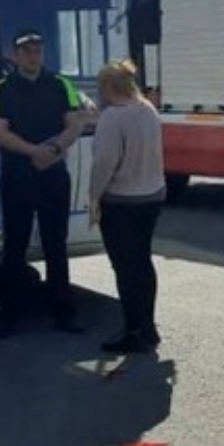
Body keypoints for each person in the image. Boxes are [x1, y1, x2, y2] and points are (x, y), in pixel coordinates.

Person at [0, 29, 90, 339]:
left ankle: (63, 313)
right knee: (14, 246)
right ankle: (7, 315)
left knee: (56, 244)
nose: (33, 55)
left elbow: (75, 124)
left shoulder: (61, 85)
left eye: (38, 49)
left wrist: (54, 150)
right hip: (17, 177)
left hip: (54, 176)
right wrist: (34, 152)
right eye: (27, 50)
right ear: (16, 55)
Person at [88, 59, 168, 354]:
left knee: (124, 267)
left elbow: (105, 163)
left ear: (109, 87)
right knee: (143, 263)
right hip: (152, 196)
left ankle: (132, 330)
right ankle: (149, 326)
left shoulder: (113, 117)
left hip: (122, 201)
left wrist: (93, 197)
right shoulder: (147, 109)